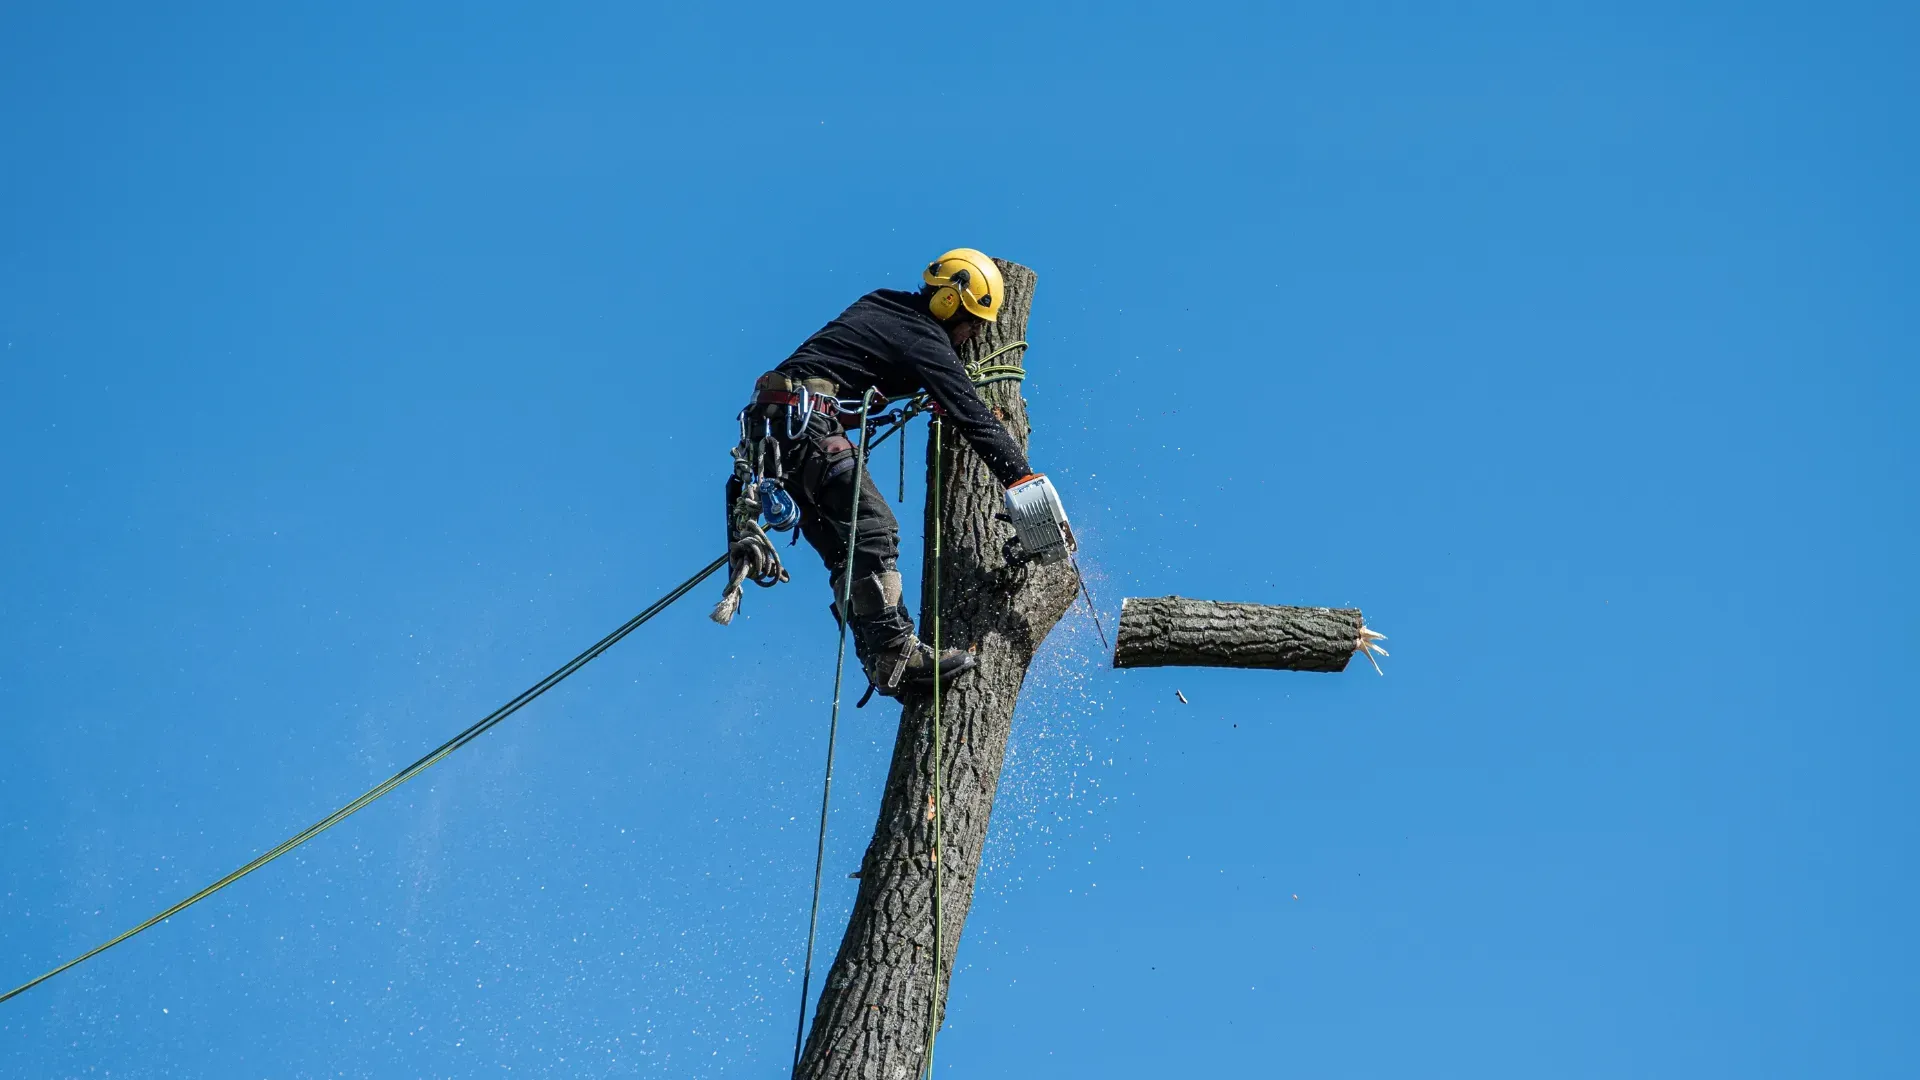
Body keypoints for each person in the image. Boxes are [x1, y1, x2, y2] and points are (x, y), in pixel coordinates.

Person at [719, 248, 1062, 698]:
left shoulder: (885, 305)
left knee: (850, 553)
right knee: (875, 530)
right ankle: (896, 650)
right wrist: (1023, 482)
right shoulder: (922, 335)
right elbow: (974, 416)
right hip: (803, 427)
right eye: (972, 325)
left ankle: (884, 663)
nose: (970, 337)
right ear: (948, 305)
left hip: (777, 436)